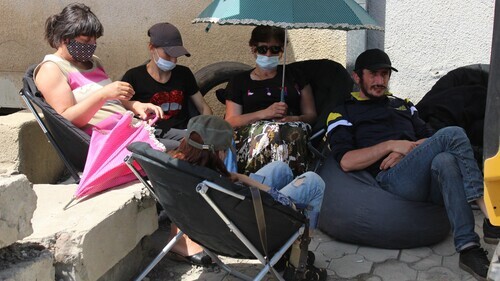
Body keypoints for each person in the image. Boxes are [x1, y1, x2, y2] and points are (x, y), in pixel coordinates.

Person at [326, 48, 500, 281]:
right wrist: (391, 145)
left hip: (418, 170)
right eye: (373, 74)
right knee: (454, 133)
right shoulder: (343, 110)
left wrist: (407, 150)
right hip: (390, 179)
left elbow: (431, 138)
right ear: (357, 77)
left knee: (445, 159)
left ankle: (468, 248)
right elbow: (346, 162)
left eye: (385, 74)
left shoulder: (402, 104)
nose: (380, 81)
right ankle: (491, 216)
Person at [169, 115, 327, 280]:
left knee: (279, 168)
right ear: (219, 153)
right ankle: (298, 262)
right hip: (250, 232)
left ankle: (283, 256)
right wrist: (246, 180)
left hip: (220, 223)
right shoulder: (218, 185)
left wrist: (236, 178)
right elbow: (285, 203)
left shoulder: (180, 170)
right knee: (313, 182)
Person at [34, 3, 163, 135]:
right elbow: (66, 120)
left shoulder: (93, 61)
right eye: (86, 40)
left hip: (128, 129)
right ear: (65, 38)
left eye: (95, 40)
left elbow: (110, 103)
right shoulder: (51, 69)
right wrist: (103, 94)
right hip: (105, 140)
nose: (92, 45)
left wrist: (135, 105)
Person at [225, 26, 317, 176]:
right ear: (253, 49)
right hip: (253, 134)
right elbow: (231, 121)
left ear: (282, 51)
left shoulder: (294, 76)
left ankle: (287, 181)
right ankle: (263, 183)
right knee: (273, 132)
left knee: (288, 131)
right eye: (262, 49)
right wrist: (265, 113)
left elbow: (311, 114)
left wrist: (294, 118)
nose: (268, 54)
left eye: (275, 49)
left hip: (292, 130)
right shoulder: (239, 81)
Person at [121, 22, 212, 149]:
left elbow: (202, 107)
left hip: (183, 133)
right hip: (152, 136)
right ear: (152, 48)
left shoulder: (184, 74)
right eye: (168, 54)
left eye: (176, 55)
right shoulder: (134, 77)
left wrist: (211, 130)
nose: (173, 60)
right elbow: (120, 106)